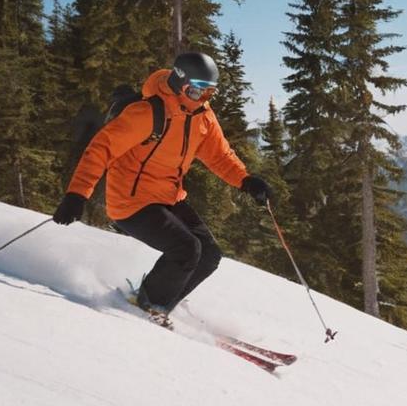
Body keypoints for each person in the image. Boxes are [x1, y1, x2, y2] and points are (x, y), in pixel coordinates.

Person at [52, 51, 272, 322]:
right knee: (186, 249)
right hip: (131, 202)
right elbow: (101, 149)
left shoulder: (202, 116)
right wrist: (77, 194)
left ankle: (163, 303)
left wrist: (245, 180)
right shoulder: (148, 112)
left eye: (209, 93)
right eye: (196, 92)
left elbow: (219, 155)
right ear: (180, 84)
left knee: (209, 255)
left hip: (168, 196)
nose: (202, 99)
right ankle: (147, 303)